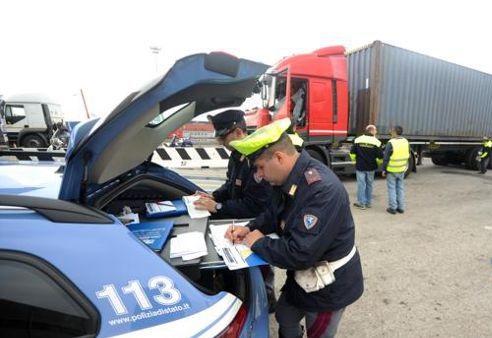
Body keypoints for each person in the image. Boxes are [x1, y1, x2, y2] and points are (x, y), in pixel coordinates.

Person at [226, 118, 364, 338]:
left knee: (318, 333)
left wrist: (258, 242)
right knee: (284, 316)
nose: (259, 175)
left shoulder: (321, 190)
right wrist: (250, 227)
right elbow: (273, 213)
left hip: (327, 285)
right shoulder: (286, 178)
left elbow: (300, 253)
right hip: (302, 276)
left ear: (279, 157)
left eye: (260, 167)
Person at [194, 109, 272, 219]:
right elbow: (230, 184)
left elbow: (256, 206)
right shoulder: (236, 155)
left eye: (223, 137)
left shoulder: (256, 158)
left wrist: (218, 207)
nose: (220, 142)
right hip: (237, 215)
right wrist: (214, 196)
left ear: (238, 133)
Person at [350, 124, 383, 210]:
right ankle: (368, 203)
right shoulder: (377, 142)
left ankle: (361, 203)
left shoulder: (358, 140)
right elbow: (380, 156)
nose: (376, 132)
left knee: (361, 185)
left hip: (360, 166)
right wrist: (378, 163)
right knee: (369, 184)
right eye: (375, 130)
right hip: (371, 167)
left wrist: (354, 161)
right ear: (371, 131)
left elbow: (352, 152)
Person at [382, 125, 410, 214]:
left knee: (392, 188)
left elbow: (386, 158)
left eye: (391, 130)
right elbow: (408, 153)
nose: (390, 131)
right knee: (400, 188)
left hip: (392, 170)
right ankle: (401, 207)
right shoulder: (405, 141)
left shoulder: (391, 142)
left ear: (394, 132)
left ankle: (392, 208)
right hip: (401, 169)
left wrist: (384, 169)